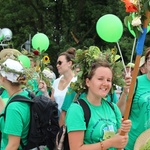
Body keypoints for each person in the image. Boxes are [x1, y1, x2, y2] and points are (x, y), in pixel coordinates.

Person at [66, 58, 131, 150]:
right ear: (88, 82)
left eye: (109, 80)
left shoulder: (113, 107)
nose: (105, 83)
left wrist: (124, 132)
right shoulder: (77, 109)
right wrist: (110, 142)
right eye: (100, 79)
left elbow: (120, 144)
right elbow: (76, 148)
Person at [118, 49, 150, 150]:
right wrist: (125, 92)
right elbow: (119, 111)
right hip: (132, 142)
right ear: (145, 63)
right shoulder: (135, 82)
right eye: (149, 59)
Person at [0, 58, 32, 149]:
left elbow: (13, 145)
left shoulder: (14, 107)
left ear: (3, 78)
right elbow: (4, 115)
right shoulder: (24, 94)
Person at [51, 47, 77, 115]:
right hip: (56, 121)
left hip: (70, 120)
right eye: (57, 63)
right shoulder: (56, 82)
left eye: (60, 63)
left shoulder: (77, 82)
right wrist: (44, 91)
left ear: (69, 63)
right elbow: (51, 103)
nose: (57, 65)